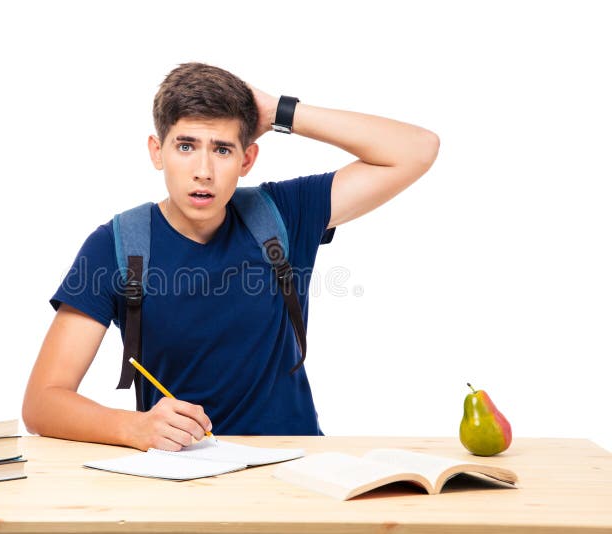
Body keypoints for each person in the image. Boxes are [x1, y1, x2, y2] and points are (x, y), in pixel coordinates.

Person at [22, 63, 439, 452]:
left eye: (222, 150)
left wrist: (279, 111)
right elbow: (43, 402)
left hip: (297, 467)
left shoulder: (282, 213)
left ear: (247, 159)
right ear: (156, 152)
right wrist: (135, 428)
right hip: (185, 474)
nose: (203, 170)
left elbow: (417, 149)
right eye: (186, 146)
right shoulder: (117, 244)